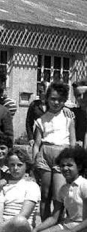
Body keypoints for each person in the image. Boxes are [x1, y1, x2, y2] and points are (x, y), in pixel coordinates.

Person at [24, 147, 87, 232]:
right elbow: (54, 217)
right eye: (62, 166)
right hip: (67, 225)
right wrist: (36, 230)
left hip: (83, 230)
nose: (65, 168)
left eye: (69, 165)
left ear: (79, 167)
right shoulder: (63, 189)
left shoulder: (84, 185)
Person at [32, 81, 76, 220]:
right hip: (45, 154)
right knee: (45, 193)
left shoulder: (69, 117)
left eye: (60, 100)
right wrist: (35, 160)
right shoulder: (41, 120)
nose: (56, 102)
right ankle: (44, 222)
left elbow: (73, 141)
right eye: (53, 99)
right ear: (47, 98)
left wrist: (72, 159)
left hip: (62, 154)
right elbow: (36, 143)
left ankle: (57, 222)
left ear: (65, 101)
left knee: (59, 193)